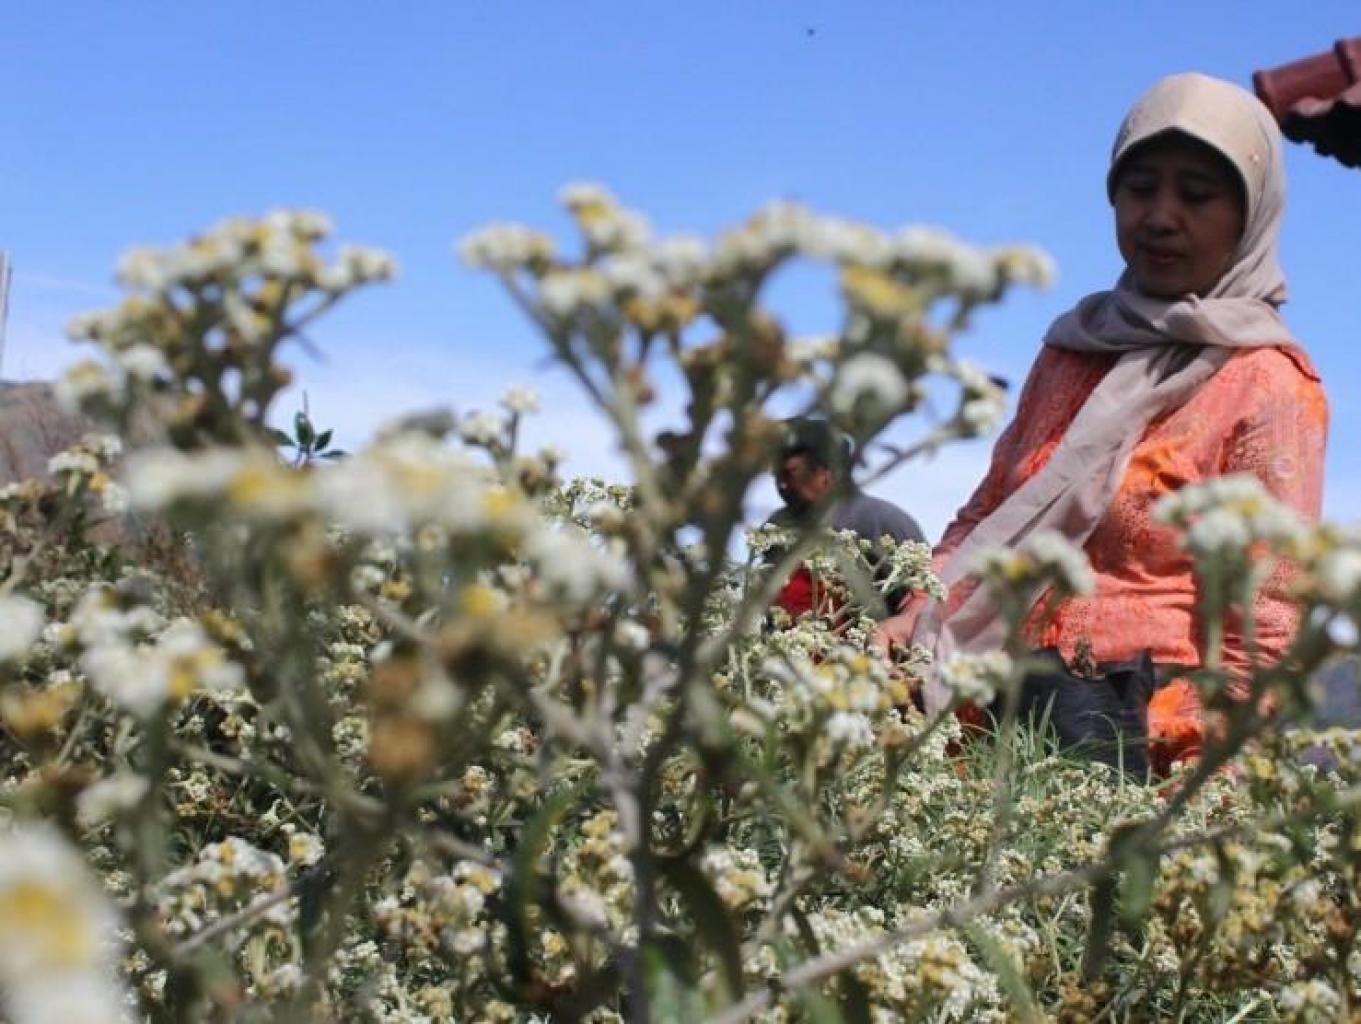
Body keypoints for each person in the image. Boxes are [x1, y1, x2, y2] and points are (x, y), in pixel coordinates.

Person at [874, 72, 1329, 773]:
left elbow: (1268, 626)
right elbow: (989, 511)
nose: (1160, 216)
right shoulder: (1072, 351)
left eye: (1196, 195)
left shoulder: (1267, 383)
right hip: (987, 724)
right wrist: (917, 611)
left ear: (1249, 216)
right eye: (1140, 187)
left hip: (1139, 754)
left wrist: (1198, 782)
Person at [767, 417, 925, 620]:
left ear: (827, 472)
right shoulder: (777, 527)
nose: (781, 485)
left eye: (790, 473)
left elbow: (919, 604)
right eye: (776, 476)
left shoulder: (878, 520)